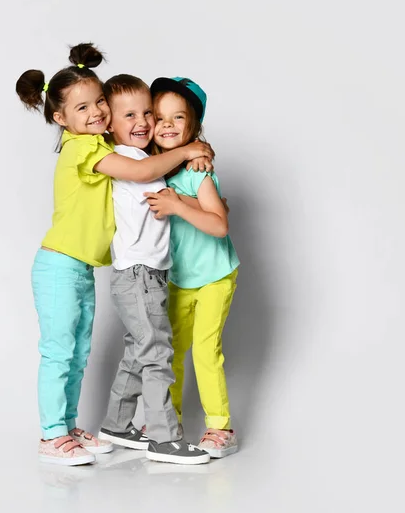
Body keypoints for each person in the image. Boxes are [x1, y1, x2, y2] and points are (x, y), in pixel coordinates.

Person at [15, 47, 214, 466]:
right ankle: (55, 434)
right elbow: (143, 171)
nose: (97, 112)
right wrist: (190, 148)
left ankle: (75, 427)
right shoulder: (85, 149)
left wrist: (197, 148)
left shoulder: (107, 144)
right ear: (59, 118)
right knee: (61, 351)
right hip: (60, 264)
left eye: (99, 102)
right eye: (82, 106)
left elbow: (145, 147)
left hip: (83, 266)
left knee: (79, 351)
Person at [97, 74, 211, 465]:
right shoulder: (127, 160)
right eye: (129, 114)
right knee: (157, 351)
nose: (143, 121)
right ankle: (164, 437)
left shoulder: (146, 157)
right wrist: (189, 150)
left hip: (150, 274)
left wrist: (198, 151)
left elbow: (170, 166)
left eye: (147, 111)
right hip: (137, 273)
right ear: (109, 123)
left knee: (138, 351)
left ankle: (116, 424)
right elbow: (151, 172)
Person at [144, 77, 240, 458]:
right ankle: (170, 422)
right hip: (178, 280)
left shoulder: (199, 172)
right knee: (172, 350)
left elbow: (219, 225)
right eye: (160, 116)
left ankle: (220, 427)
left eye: (177, 117)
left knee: (204, 349)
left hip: (216, 274)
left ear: (193, 128)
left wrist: (179, 205)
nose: (167, 125)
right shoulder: (151, 168)